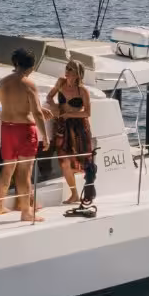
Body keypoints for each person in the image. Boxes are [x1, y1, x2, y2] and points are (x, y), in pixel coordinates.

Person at [0, 48, 47, 223]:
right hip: (25, 131)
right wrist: (46, 137)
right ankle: (26, 212)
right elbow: (37, 113)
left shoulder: (3, 82)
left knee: (7, 170)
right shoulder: (29, 84)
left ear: (15, 63)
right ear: (31, 66)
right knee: (24, 174)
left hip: (7, 129)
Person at [47, 58, 98, 217]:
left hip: (78, 127)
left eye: (70, 69)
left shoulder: (82, 91)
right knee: (63, 161)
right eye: (67, 67)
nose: (67, 71)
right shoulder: (61, 83)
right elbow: (49, 97)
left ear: (77, 74)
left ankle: (86, 190)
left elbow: (87, 113)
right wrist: (55, 107)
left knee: (82, 160)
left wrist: (69, 114)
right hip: (62, 125)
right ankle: (74, 194)